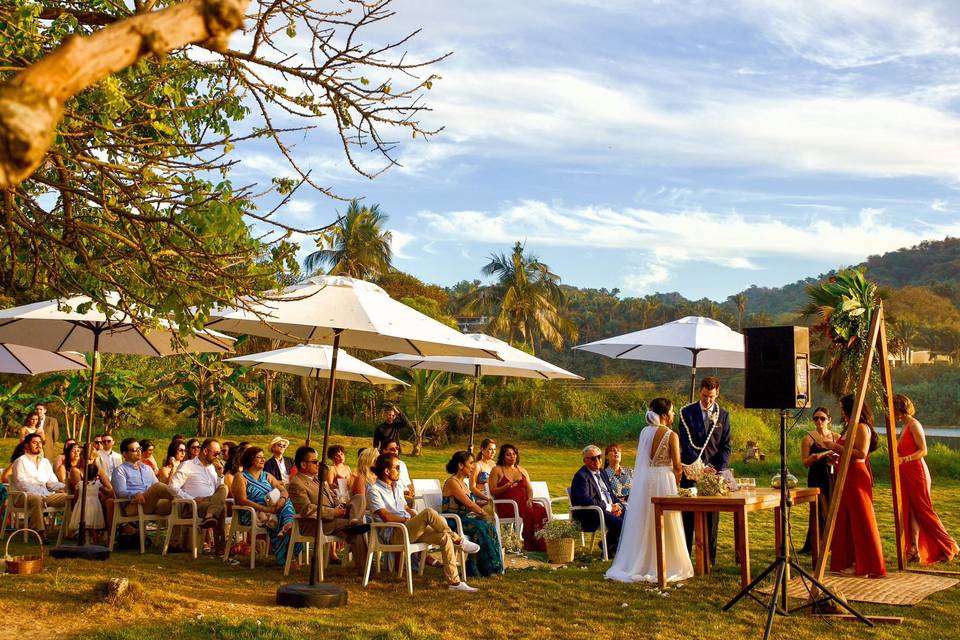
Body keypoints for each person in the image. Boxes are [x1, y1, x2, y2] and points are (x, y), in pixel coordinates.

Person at [606, 398, 693, 583]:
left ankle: (643, 560)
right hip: (665, 480)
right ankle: (667, 561)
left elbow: (644, 460)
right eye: (672, 412)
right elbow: (677, 466)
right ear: (664, 415)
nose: (674, 415)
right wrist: (678, 481)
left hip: (646, 481)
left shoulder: (644, 432)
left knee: (645, 518)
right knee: (667, 521)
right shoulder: (671, 435)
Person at [367, 452, 480, 592]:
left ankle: (454, 583)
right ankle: (458, 540)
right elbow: (386, 517)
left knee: (444, 537)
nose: (400, 471)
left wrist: (413, 514)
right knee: (428, 513)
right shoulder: (374, 490)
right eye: (397, 468)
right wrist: (409, 519)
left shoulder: (396, 488)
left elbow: (405, 508)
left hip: (408, 530)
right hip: (394, 534)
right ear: (386, 471)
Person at [823, 395, 885, 577]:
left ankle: (866, 564)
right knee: (846, 519)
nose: (841, 411)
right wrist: (835, 457)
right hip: (846, 475)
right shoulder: (850, 427)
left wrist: (834, 446)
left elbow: (860, 453)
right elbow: (847, 453)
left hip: (857, 476)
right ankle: (851, 560)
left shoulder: (861, 427)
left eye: (843, 407)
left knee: (861, 519)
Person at [895, 395, 958, 564]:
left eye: (892, 408)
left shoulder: (914, 425)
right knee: (911, 511)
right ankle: (914, 549)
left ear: (899, 407)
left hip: (917, 473)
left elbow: (923, 451)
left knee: (924, 511)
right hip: (906, 474)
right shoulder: (904, 426)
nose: (890, 412)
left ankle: (950, 544)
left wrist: (905, 459)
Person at [288, 446, 369, 576]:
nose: (318, 464)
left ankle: (354, 520)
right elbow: (306, 509)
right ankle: (366, 571)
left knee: (359, 498)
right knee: (357, 531)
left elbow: (333, 497)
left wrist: (340, 506)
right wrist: (333, 512)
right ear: (303, 464)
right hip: (315, 523)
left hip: (334, 518)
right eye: (314, 462)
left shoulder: (319, 480)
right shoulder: (297, 483)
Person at [678, 376, 732, 564]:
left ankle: (710, 559)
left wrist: (716, 468)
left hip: (712, 475)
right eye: (704, 396)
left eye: (711, 397)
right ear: (699, 391)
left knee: (711, 518)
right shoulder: (686, 412)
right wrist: (699, 466)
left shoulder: (723, 415)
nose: (707, 400)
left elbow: (725, 446)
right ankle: (684, 558)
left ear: (717, 394)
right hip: (691, 471)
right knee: (688, 518)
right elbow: (685, 443)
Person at [232, 446, 297, 566]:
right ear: (251, 459)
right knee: (284, 517)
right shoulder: (240, 477)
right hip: (251, 513)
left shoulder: (267, 476)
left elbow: (283, 490)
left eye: (263, 457)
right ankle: (288, 549)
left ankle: (288, 528)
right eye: (259, 457)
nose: (263, 460)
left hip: (273, 510)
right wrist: (264, 508)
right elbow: (242, 500)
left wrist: (281, 500)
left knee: (286, 502)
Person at [442, 451, 503, 577]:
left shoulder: (463, 483)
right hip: (453, 521)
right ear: (460, 465)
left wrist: (482, 504)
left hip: (464, 519)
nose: (473, 466)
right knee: (482, 526)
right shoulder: (452, 482)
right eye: (470, 463)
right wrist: (483, 513)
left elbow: (470, 503)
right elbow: (469, 504)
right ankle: (484, 568)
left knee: (487, 526)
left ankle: (486, 567)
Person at [168, 438, 229, 554]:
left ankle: (210, 515)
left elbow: (218, 491)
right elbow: (172, 487)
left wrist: (220, 474)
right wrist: (191, 499)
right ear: (205, 451)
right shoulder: (187, 465)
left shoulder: (213, 468)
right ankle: (221, 548)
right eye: (216, 453)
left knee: (224, 488)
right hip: (193, 505)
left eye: (219, 453)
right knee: (222, 507)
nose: (217, 456)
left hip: (210, 503)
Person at [9, 433, 69, 540]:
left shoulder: (45, 462)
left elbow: (51, 482)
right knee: (36, 499)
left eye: (40, 442)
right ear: (26, 446)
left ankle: (70, 531)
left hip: (45, 495)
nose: (38, 445)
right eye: (34, 443)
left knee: (68, 497)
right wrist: (41, 495)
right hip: (23, 496)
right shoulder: (20, 461)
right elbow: (22, 484)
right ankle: (41, 533)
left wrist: (65, 487)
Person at [489, 444, 547, 552]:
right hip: (507, 505)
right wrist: (505, 487)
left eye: (514, 454)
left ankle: (539, 541)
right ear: (503, 456)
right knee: (529, 512)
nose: (512, 456)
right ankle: (529, 543)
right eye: (508, 454)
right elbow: (493, 490)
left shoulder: (522, 470)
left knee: (540, 509)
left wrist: (530, 499)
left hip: (523, 504)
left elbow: (529, 489)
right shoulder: (497, 470)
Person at [570, 444, 625, 556]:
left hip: (606, 509)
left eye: (599, 457)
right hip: (592, 512)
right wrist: (609, 507)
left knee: (631, 518)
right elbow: (584, 499)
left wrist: (618, 506)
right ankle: (613, 549)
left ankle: (609, 546)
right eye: (593, 458)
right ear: (585, 461)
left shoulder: (602, 473)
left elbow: (611, 494)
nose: (597, 460)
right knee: (623, 524)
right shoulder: (581, 476)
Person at [799, 407, 837, 554]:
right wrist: (813, 458)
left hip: (832, 475)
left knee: (833, 509)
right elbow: (804, 462)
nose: (819, 421)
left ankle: (832, 543)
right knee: (820, 509)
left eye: (822, 418)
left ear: (829, 419)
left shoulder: (835, 436)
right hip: (816, 476)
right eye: (815, 418)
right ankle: (818, 543)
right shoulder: (808, 438)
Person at [112, 437, 174, 518]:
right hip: (134, 505)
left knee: (177, 505)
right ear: (125, 454)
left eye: (139, 448)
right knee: (158, 487)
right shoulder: (120, 470)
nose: (139, 451)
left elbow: (156, 487)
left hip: (152, 503)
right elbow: (121, 492)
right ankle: (188, 498)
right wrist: (135, 494)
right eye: (134, 450)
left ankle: (189, 503)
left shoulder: (147, 468)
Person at [64, 441, 113, 542]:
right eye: (86, 459)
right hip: (81, 502)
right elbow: (81, 490)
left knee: (110, 499)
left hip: (96, 499)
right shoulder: (75, 470)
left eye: (91, 459)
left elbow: (109, 487)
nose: (88, 462)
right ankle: (109, 534)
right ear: (81, 457)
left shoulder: (96, 469)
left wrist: (106, 490)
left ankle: (112, 534)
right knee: (107, 501)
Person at [381, 439, 414, 504]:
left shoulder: (402, 464)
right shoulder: (381, 465)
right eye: (392, 449)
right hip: (395, 496)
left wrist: (411, 491)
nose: (395, 451)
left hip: (405, 494)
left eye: (397, 448)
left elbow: (408, 484)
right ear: (384, 451)